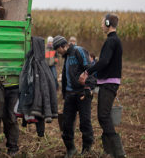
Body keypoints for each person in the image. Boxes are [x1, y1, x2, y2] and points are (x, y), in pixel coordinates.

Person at [82, 14, 126, 158]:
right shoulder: (113, 41)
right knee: (103, 116)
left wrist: (88, 71)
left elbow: (104, 61)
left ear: (108, 23)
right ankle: (109, 152)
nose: (101, 25)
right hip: (108, 83)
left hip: (109, 83)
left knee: (104, 116)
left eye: (102, 23)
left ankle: (117, 153)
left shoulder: (111, 41)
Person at [53, 36, 94, 158]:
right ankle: (71, 149)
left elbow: (90, 70)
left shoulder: (79, 51)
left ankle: (86, 150)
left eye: (57, 49)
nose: (57, 52)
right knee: (66, 124)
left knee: (85, 123)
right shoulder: (66, 56)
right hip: (70, 95)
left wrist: (88, 89)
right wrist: (64, 94)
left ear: (62, 46)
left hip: (82, 93)